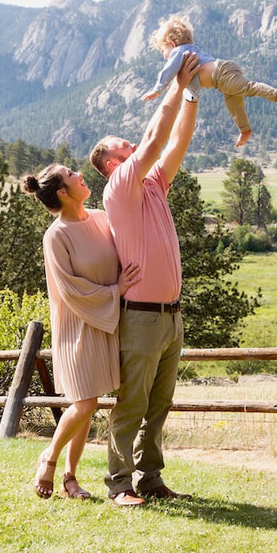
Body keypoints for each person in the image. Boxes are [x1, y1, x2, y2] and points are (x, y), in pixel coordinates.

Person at [90, 50, 200, 506]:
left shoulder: (153, 184)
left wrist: (192, 90)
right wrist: (174, 84)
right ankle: (119, 486)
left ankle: (151, 480)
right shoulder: (118, 187)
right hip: (141, 319)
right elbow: (155, 137)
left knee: (158, 407)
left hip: (169, 318)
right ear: (114, 164)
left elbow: (177, 141)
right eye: (125, 147)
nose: (133, 147)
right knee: (132, 406)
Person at [23, 164, 141, 501]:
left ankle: (70, 479)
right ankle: (48, 459)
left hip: (106, 322)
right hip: (75, 327)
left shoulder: (102, 218)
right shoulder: (56, 236)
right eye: (72, 174)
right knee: (86, 403)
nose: (79, 175)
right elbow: (70, 289)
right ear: (62, 192)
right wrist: (115, 291)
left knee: (86, 403)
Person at [142, 13, 277, 147]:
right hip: (222, 79)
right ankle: (245, 130)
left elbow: (169, 69)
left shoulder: (179, 51)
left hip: (222, 73)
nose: (163, 56)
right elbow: (191, 85)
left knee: (249, 87)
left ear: (172, 44)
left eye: (163, 50)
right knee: (234, 104)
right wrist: (174, 85)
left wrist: (157, 89)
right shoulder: (189, 53)